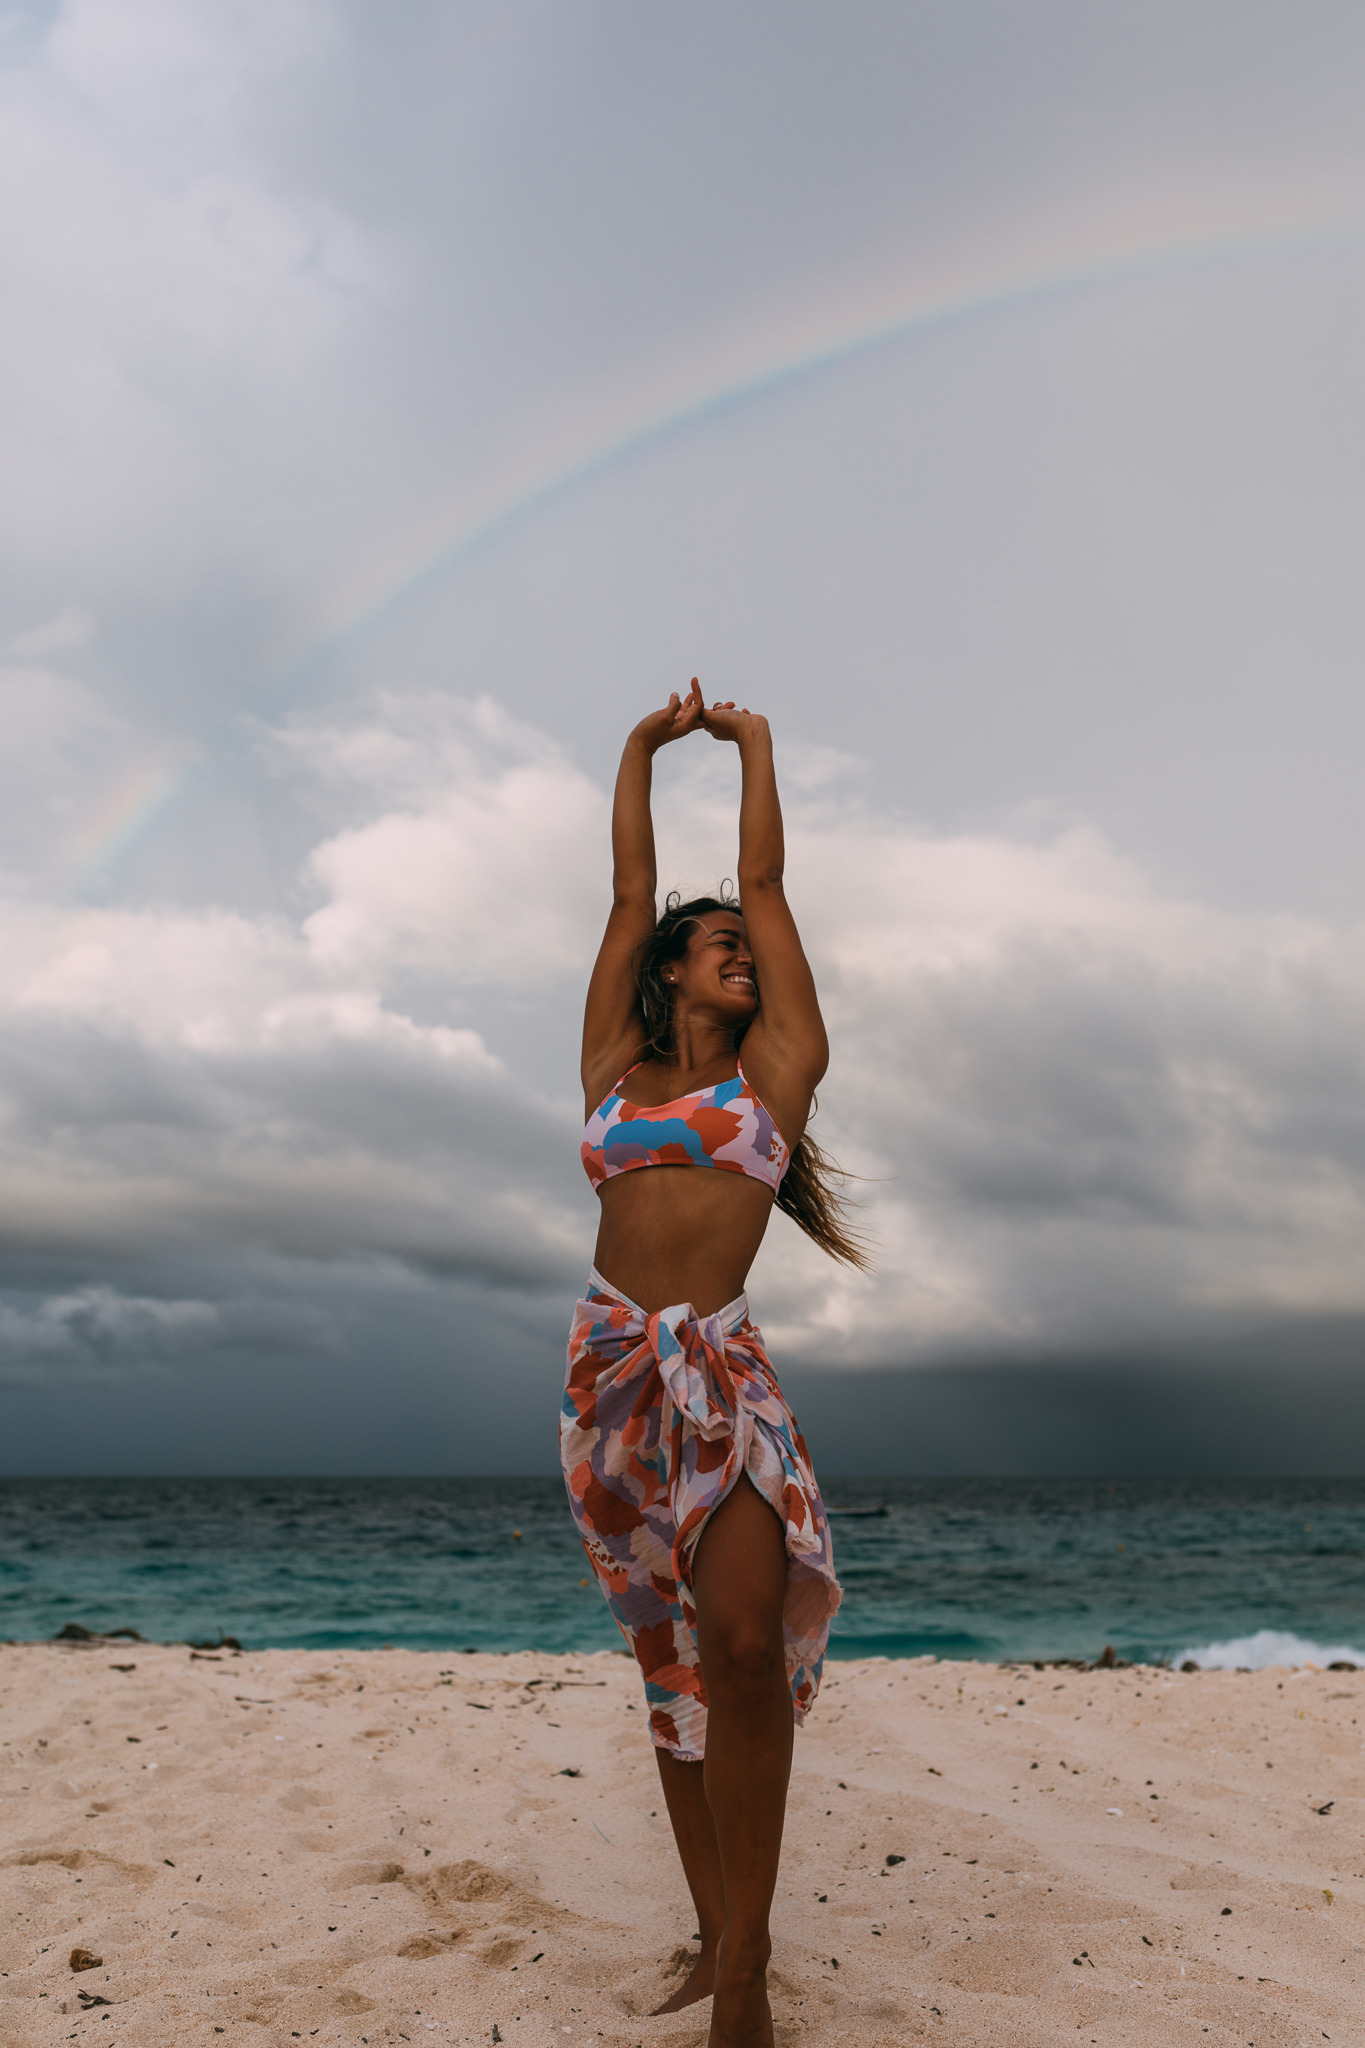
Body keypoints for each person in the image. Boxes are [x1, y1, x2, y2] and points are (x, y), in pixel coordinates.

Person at [560, 680, 868, 2048]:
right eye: (719, 946)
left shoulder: (777, 1075)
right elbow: (627, 894)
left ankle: (744, 1971)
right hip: (608, 1376)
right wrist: (633, 749)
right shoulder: (614, 1074)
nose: (739, 950)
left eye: (750, 946)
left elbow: (764, 872)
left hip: (720, 1379)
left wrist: (749, 748)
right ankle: (708, 1934)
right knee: (666, 1663)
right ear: (672, 973)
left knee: (740, 1647)